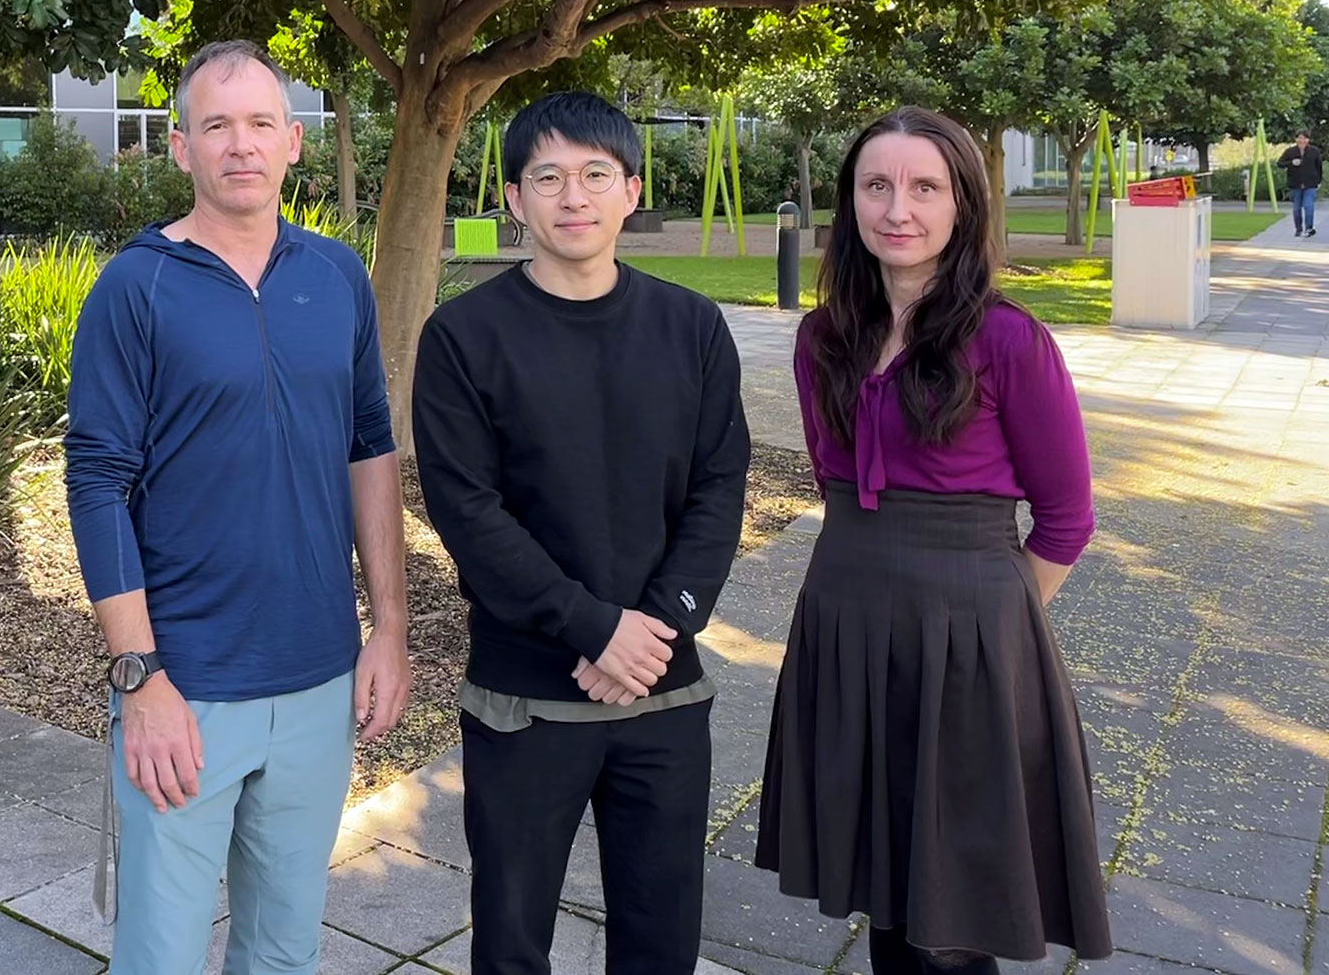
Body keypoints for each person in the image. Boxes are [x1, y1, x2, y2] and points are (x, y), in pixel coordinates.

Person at [64, 39, 409, 975]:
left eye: (261, 123)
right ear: (182, 147)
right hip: (187, 686)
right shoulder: (136, 287)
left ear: (294, 141)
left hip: (318, 679)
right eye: (216, 126)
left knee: (285, 950)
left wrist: (388, 630)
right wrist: (140, 677)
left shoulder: (336, 276)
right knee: (161, 957)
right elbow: (95, 482)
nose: (241, 144)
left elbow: (370, 448)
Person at [754, 107, 1112, 974]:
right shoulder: (822, 339)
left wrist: (991, 625)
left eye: (925, 187)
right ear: (851, 201)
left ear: (962, 205)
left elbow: (1068, 517)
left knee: (952, 919)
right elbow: (833, 480)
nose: (898, 209)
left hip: (969, 643)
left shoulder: (1009, 340)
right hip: (845, 623)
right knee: (884, 884)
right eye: (876, 185)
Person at [413, 92, 750, 975]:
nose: (574, 197)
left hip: (663, 692)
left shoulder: (692, 327)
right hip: (526, 699)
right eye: (548, 177)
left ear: (631, 191)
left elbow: (720, 487)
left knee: (661, 940)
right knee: (512, 942)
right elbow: (468, 512)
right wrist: (594, 628)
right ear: (514, 199)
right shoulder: (464, 337)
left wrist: (656, 626)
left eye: (596, 175)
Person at [1276, 129, 1321, 237]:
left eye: (1304, 138)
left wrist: (1318, 181)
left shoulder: (1314, 151)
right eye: (1299, 138)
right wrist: (1291, 163)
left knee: (1308, 206)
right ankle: (1298, 229)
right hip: (1295, 183)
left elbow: (1319, 167)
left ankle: (1309, 228)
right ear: (1296, 139)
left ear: (1308, 139)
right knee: (1296, 209)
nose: (1302, 140)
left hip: (1310, 184)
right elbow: (1280, 163)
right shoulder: (1290, 151)